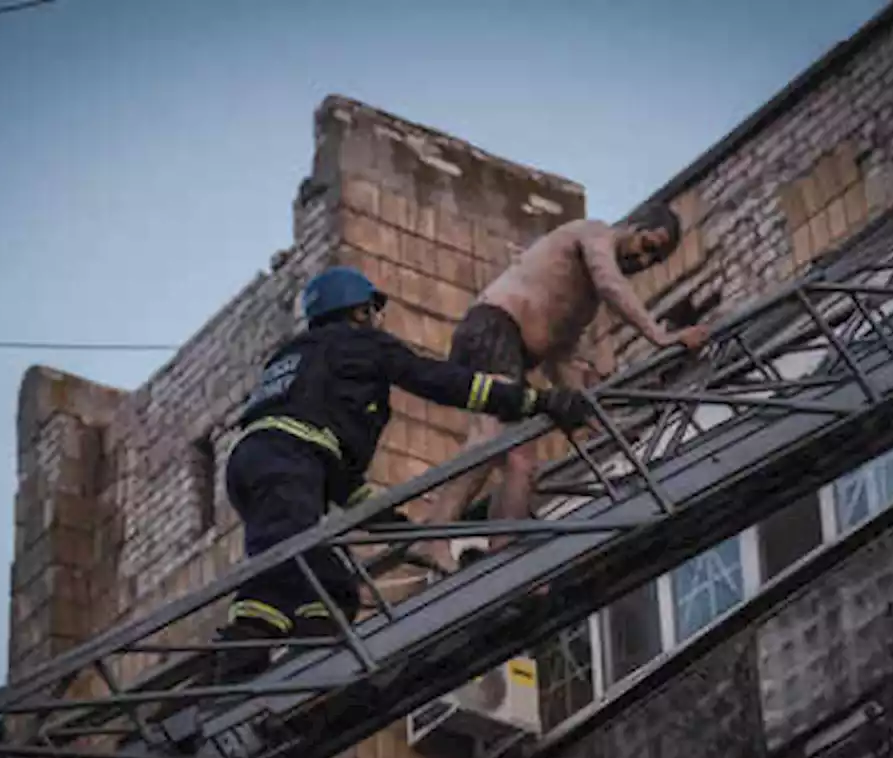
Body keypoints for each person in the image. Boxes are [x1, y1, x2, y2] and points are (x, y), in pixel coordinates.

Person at [212, 266, 592, 683]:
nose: (376, 319)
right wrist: (535, 401)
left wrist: (392, 524)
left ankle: (308, 638)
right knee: (291, 563)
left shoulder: (298, 358)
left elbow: (339, 476)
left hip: (254, 464)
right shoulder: (362, 344)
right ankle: (250, 649)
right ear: (359, 311)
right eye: (372, 310)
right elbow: (442, 382)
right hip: (288, 461)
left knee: (320, 571)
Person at [419, 209, 712, 573]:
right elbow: (611, 283)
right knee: (489, 438)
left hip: (512, 352)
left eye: (653, 259)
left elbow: (557, 358)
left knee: (521, 463)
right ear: (635, 228)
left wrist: (596, 421)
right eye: (647, 245)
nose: (643, 259)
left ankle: (502, 555)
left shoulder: (583, 302)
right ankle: (433, 539)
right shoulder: (593, 233)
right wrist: (661, 336)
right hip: (492, 330)